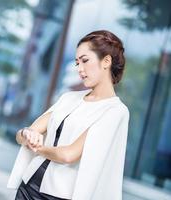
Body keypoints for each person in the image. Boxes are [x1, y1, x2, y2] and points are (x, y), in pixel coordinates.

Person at [7, 30, 130, 200]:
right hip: (27, 187)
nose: (80, 69)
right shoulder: (68, 98)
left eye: (85, 61)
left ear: (106, 61)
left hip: (59, 195)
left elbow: (69, 155)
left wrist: (37, 147)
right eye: (77, 63)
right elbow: (25, 134)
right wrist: (26, 134)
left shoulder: (115, 111)